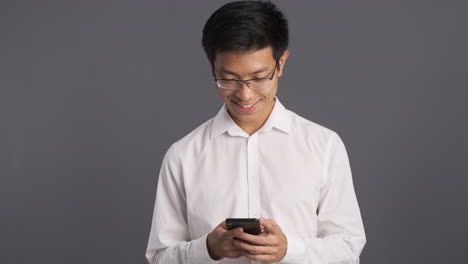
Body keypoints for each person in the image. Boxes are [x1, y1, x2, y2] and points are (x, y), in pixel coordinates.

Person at [145, 1, 366, 263]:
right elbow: (159, 257)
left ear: (280, 63)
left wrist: (288, 250)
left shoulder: (324, 145)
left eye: (259, 77)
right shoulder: (182, 155)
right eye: (228, 78)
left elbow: (348, 250)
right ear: (212, 66)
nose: (245, 94)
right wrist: (208, 249)